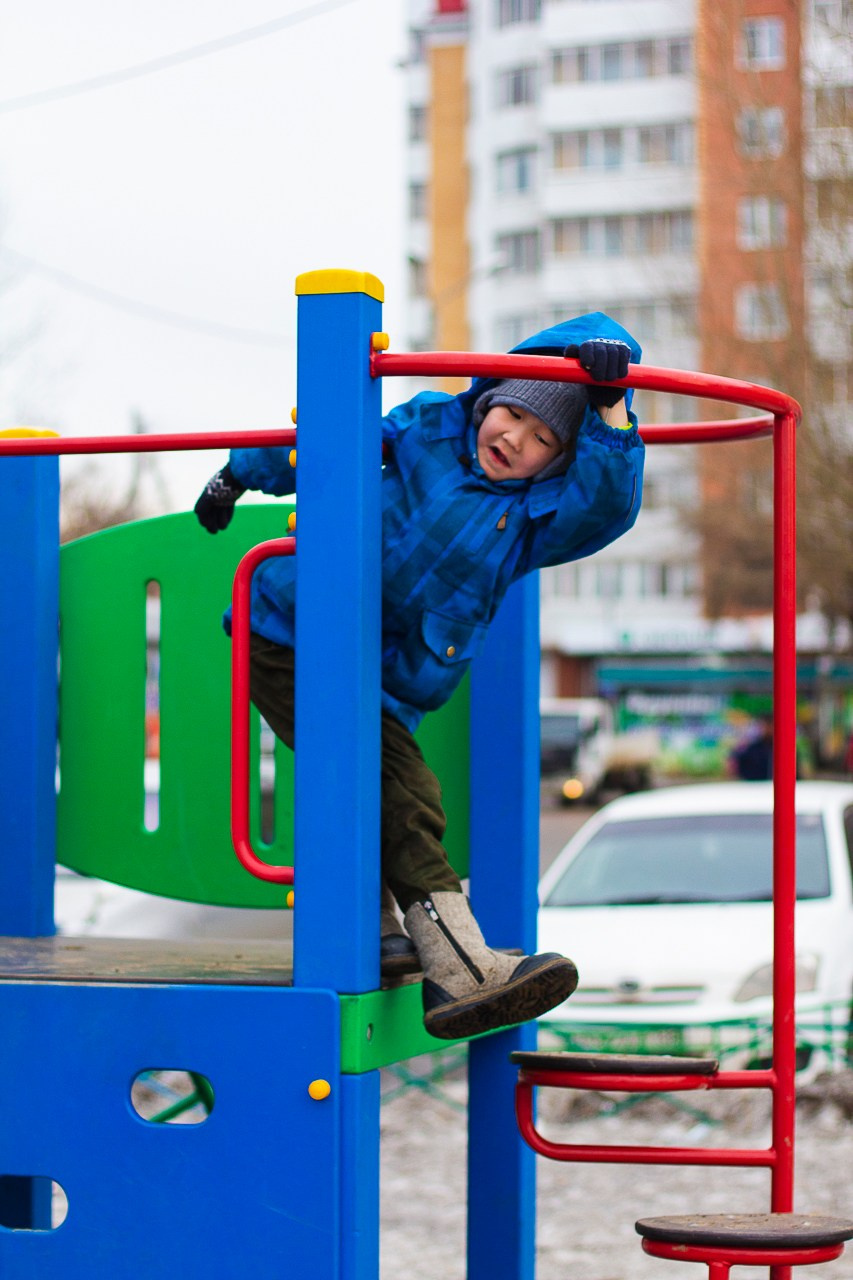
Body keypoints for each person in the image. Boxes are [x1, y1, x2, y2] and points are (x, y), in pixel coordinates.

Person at [195, 315, 644, 1040]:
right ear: (487, 394)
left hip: (386, 680)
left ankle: (375, 931)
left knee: (387, 786)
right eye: (513, 414)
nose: (515, 441)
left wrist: (608, 410)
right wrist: (236, 473)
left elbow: (607, 505)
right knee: (402, 795)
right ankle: (459, 969)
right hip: (289, 634)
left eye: (542, 442)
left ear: (557, 463)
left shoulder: (534, 516)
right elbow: (329, 447)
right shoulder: (430, 428)